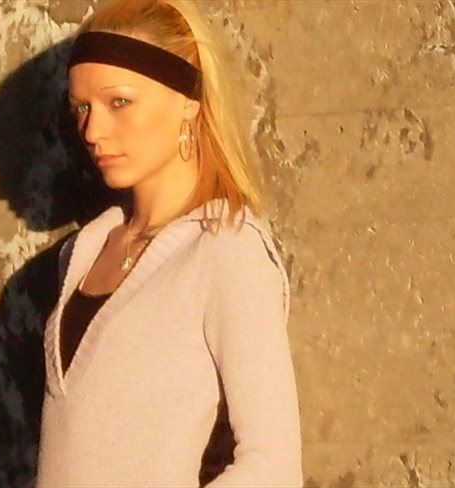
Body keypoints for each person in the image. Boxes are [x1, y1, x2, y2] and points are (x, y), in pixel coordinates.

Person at [35, 0, 303, 486]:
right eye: (81, 108)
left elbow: (274, 466)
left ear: (188, 101)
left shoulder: (226, 249)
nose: (92, 131)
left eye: (119, 102)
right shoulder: (85, 251)